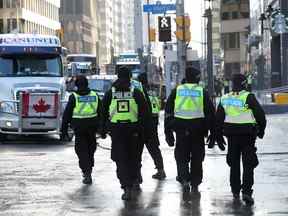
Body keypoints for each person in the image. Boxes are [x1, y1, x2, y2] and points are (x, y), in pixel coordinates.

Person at [164, 67, 218, 200]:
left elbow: (168, 112)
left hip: (181, 129)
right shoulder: (202, 91)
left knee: (181, 156)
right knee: (197, 157)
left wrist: (168, 133)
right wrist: (213, 133)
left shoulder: (177, 90)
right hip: (198, 129)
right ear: (196, 78)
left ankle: (184, 179)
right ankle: (195, 182)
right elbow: (211, 113)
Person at [216, 73, 266, 205]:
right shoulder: (248, 97)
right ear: (244, 84)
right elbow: (260, 115)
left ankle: (235, 190)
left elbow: (218, 119)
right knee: (248, 164)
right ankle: (247, 192)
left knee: (234, 164)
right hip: (248, 136)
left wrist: (218, 136)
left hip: (231, 136)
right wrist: (261, 130)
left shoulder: (225, 98)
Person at [102, 67, 151, 201]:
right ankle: (134, 180)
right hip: (134, 131)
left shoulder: (110, 93)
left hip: (116, 131)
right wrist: (143, 130)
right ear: (130, 77)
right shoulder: (136, 92)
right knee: (134, 159)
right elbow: (145, 113)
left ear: (118, 76)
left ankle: (126, 187)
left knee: (121, 160)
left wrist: (103, 129)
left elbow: (102, 111)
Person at [61, 75, 102, 184]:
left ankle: (87, 172)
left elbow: (67, 115)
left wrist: (63, 131)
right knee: (90, 150)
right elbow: (102, 113)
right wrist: (103, 129)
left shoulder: (74, 97)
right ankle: (89, 169)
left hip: (79, 129)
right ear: (87, 84)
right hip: (92, 128)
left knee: (81, 151)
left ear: (77, 85)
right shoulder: (95, 95)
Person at [138, 73, 166, 180]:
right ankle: (161, 170)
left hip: (144, 123)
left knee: (137, 149)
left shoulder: (140, 92)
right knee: (154, 148)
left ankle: (137, 175)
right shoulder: (153, 92)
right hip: (153, 122)